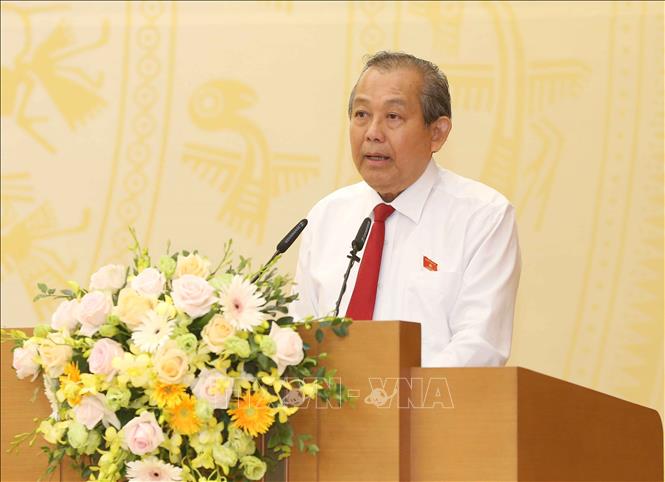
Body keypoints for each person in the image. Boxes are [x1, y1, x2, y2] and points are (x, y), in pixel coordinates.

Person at [290, 51, 521, 367]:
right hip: (332, 411)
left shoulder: (483, 216)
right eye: (361, 114)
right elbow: (298, 335)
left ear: (437, 133)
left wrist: (389, 397)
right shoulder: (326, 215)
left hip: (430, 410)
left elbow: (479, 347)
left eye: (393, 117)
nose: (372, 132)